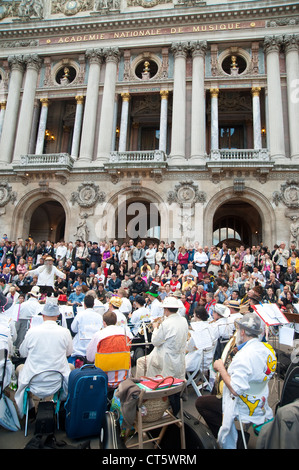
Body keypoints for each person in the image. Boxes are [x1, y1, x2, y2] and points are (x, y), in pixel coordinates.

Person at [196, 312, 277, 449]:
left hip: (243, 405)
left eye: (238, 330)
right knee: (216, 391)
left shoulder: (244, 356)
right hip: (260, 400)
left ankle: (236, 437)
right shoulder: (269, 351)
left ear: (243, 331)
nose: (237, 333)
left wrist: (221, 368)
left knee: (201, 403)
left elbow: (235, 390)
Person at [14, 302, 74, 418]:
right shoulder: (64, 332)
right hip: (57, 380)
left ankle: (30, 406)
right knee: (71, 367)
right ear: (57, 316)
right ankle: (61, 407)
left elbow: (23, 353)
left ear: (42, 316)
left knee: (19, 369)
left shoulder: (32, 331)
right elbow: (69, 352)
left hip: (34, 379)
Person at [135, 296, 189, 379]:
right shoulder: (183, 320)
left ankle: (143, 384)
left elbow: (155, 342)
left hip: (166, 357)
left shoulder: (166, 323)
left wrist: (156, 328)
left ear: (166, 309)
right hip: (179, 357)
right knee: (143, 361)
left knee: (141, 362)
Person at [86, 310, 132, 388]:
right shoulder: (127, 334)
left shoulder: (98, 335)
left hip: (103, 378)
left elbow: (89, 357)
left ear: (104, 322)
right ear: (116, 321)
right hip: (123, 377)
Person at [70, 294, 104, 364]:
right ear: (93, 304)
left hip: (81, 348)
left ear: (84, 304)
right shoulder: (99, 316)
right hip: (95, 348)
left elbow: (73, 329)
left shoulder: (80, 315)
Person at [185, 306, 214, 373]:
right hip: (208, 358)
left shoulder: (198, 328)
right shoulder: (210, 326)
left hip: (198, 360)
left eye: (194, 314)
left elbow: (190, 346)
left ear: (197, 315)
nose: (193, 315)